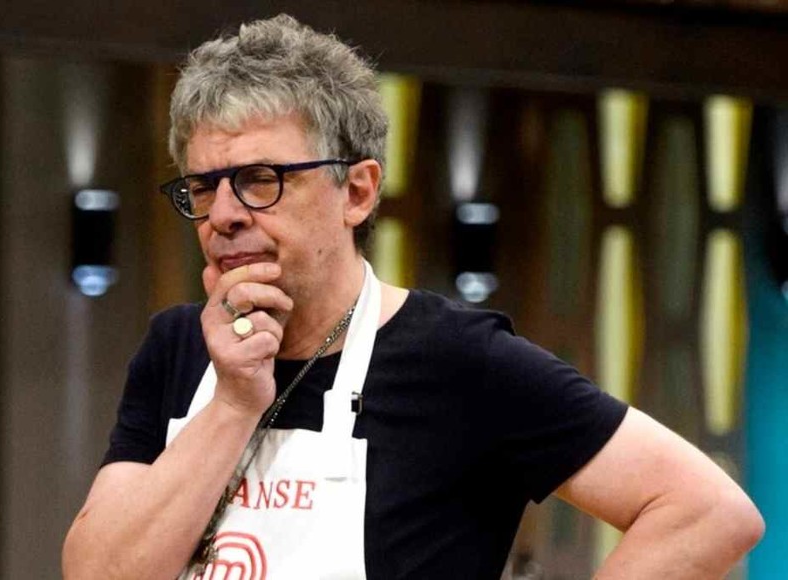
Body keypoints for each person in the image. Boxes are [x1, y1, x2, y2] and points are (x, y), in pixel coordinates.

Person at [62, 13, 764, 580]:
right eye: (204, 186)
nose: (223, 215)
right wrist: (234, 402)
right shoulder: (178, 347)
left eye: (260, 179)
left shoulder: (457, 359)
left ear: (357, 191)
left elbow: (706, 512)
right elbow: (97, 573)